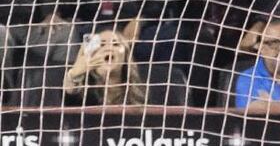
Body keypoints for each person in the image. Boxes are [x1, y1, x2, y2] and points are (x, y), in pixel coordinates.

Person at [59, 26, 188, 107]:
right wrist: (74, 74)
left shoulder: (146, 89)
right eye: (102, 44)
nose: (109, 48)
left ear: (126, 56)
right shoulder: (83, 94)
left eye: (116, 44)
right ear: (90, 54)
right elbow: (70, 95)